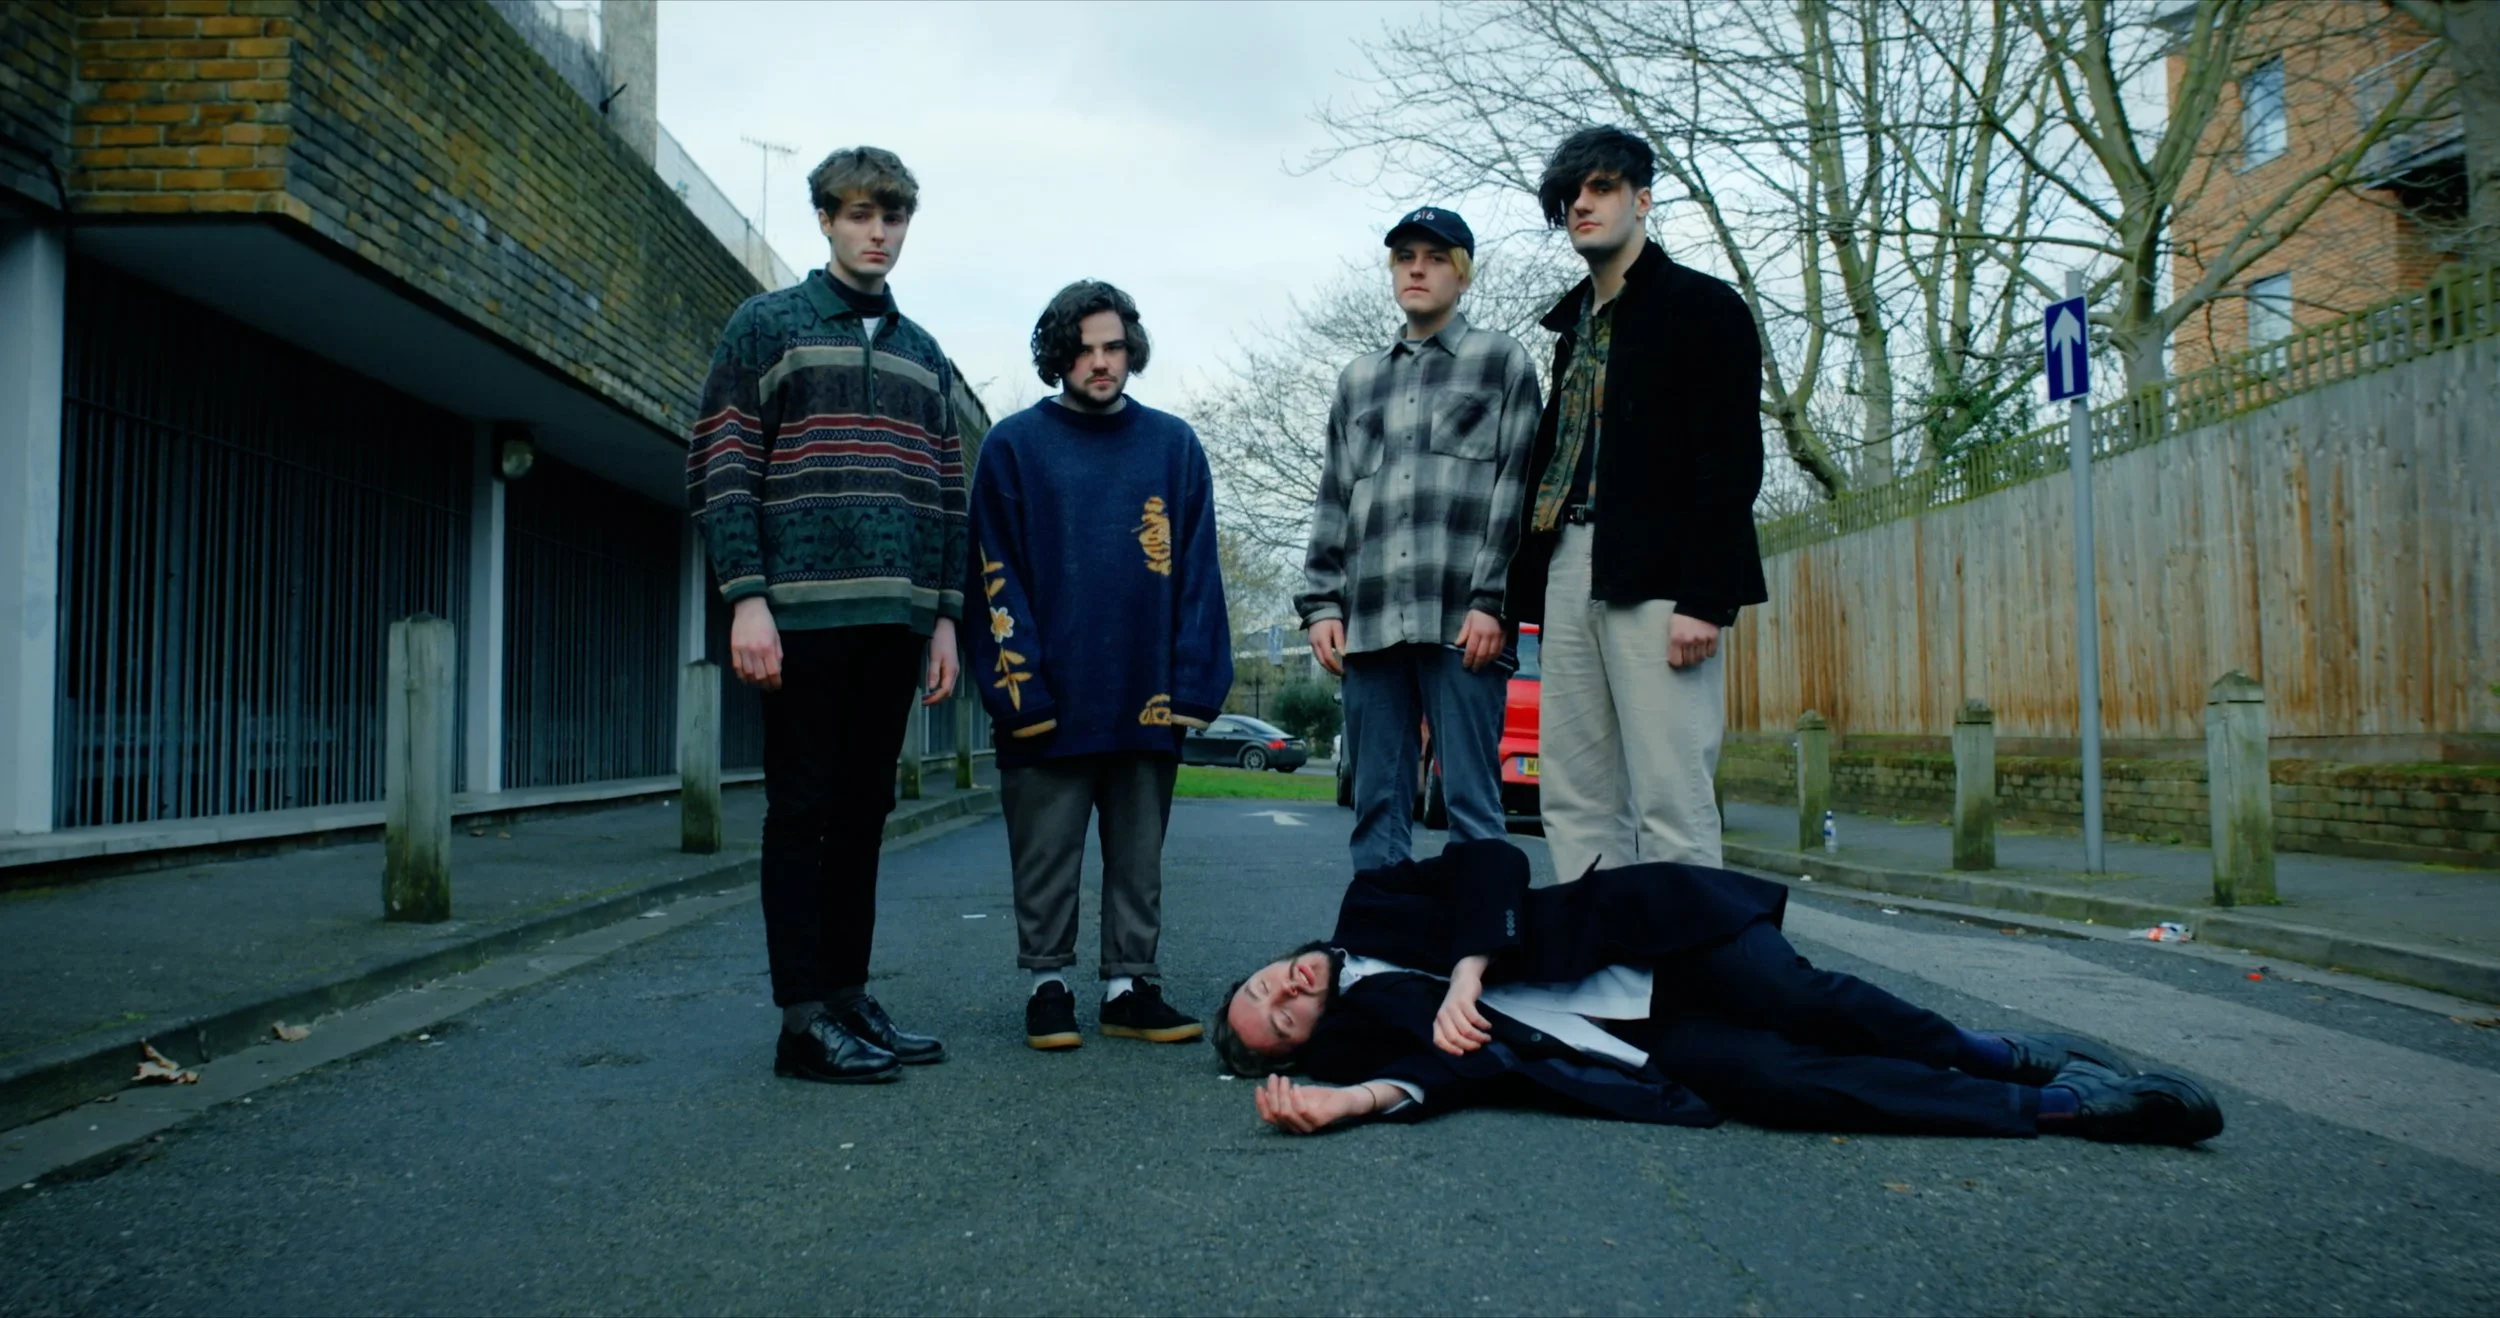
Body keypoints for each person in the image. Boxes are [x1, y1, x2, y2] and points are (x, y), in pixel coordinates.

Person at [1209, 840, 2224, 1145]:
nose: (1289, 989)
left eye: (1267, 982)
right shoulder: (1359, 1038)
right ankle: (2064, 1108)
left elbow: (1490, 860)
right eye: (1285, 1020)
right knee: (1785, 1084)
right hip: (1640, 1042)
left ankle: (2001, 1051)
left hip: (1661, 937)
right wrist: (1350, 1101)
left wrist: (1470, 966)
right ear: (1302, 1044)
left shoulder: (1370, 903)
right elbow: (1441, 1072)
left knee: (1801, 999)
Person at [686, 146, 966, 1085]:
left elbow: (949, 495)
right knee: (801, 810)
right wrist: (746, 598)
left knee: (863, 811)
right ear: (826, 220)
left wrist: (945, 618)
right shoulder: (766, 326)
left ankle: (847, 996)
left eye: (892, 217)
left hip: (896, 618)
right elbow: (724, 462)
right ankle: (801, 1021)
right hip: (799, 616)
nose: (877, 233)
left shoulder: (925, 354)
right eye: (858, 215)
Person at [968, 281, 1232, 1052]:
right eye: (1083, 349)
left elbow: (1198, 571)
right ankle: (1047, 986)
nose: (1101, 362)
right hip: (1048, 692)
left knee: (1139, 855)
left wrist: (1194, 682)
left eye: (1114, 346)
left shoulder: (1173, 446)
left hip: (1146, 691)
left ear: (1131, 349)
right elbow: (991, 571)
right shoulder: (1014, 446)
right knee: (1046, 852)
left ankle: (1129, 987)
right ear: (1058, 355)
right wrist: (1019, 688)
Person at [1505, 127, 1768, 880]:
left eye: (1601, 188)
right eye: (1570, 196)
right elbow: (1555, 465)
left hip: (1661, 576)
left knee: (1671, 795)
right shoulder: (1573, 330)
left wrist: (1705, 598)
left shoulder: (1703, 307)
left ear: (1642, 200)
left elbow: (1732, 462)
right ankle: (1599, 950)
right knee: (1575, 795)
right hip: (1570, 566)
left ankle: (1690, 955)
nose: (1581, 205)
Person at [1298, 208, 1543, 874]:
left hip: (1463, 624)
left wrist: (1493, 601)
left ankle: (1478, 935)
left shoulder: (1501, 362)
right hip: (1371, 623)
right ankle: (1382, 935)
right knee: (1377, 806)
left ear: (1461, 274)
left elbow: (1517, 490)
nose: (1417, 269)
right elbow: (1333, 497)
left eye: (1435, 258)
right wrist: (1322, 605)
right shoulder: (1358, 380)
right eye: (1405, 257)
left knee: (1472, 805)